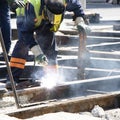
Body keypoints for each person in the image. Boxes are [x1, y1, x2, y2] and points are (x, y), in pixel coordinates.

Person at [6, 0, 90, 89]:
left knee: (50, 47)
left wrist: (80, 21)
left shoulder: (66, 1)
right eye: (51, 16)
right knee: (23, 45)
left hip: (44, 20)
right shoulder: (33, 6)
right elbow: (26, 33)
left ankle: (52, 78)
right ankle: (12, 79)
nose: (52, 18)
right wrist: (37, 52)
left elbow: (77, 7)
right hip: (25, 15)